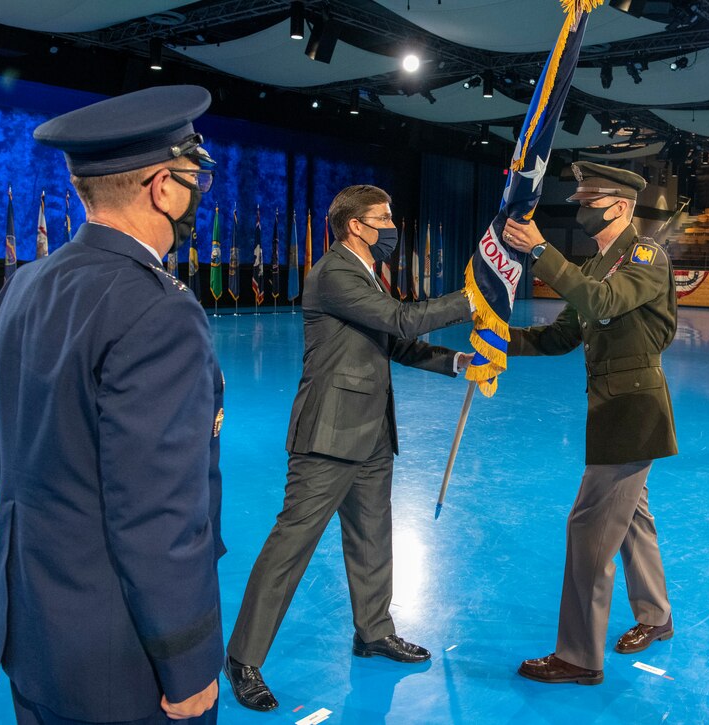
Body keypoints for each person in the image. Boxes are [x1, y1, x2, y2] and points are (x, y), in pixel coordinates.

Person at [0, 85, 225, 723]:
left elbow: (7, 459)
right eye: (193, 173)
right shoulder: (158, 309)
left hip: (34, 630)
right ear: (163, 187)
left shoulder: (22, 285)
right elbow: (159, 514)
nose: (198, 187)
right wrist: (188, 660)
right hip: (120, 660)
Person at [224, 184, 474, 711]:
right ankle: (243, 659)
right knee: (289, 547)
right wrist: (475, 298)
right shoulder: (335, 271)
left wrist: (459, 364)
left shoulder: (365, 274)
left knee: (372, 539)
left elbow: (395, 341)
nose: (391, 227)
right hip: (328, 436)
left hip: (371, 432)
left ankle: (373, 631)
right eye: (383, 218)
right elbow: (403, 320)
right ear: (355, 225)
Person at [501, 161, 678, 685]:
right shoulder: (599, 263)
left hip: (632, 413)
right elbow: (559, 336)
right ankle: (657, 617)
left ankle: (578, 657)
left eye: (589, 202)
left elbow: (602, 302)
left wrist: (540, 251)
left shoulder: (645, 256)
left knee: (589, 528)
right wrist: (498, 339)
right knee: (630, 522)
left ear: (620, 207)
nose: (580, 210)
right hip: (613, 410)